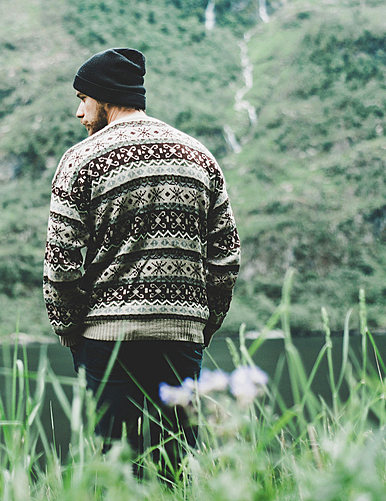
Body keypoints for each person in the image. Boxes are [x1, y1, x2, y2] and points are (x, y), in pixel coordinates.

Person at [43, 46, 241, 481]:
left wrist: (72, 332)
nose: (79, 113)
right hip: (180, 336)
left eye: (82, 99)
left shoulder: (81, 159)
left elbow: (61, 265)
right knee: (175, 468)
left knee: (118, 472)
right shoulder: (200, 157)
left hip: (107, 339)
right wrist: (201, 325)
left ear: (103, 97)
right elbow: (226, 259)